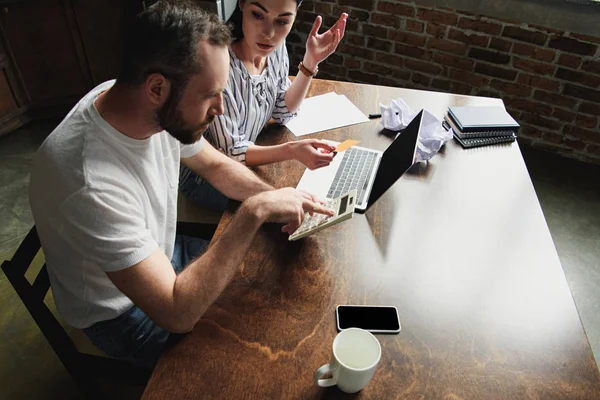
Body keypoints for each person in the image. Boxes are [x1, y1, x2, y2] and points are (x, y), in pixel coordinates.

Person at [29, 0, 332, 368]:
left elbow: (216, 166)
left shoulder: (141, 101)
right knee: (257, 354)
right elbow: (176, 313)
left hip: (162, 253)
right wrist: (256, 210)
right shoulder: (88, 183)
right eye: (210, 95)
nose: (221, 108)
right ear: (156, 88)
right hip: (123, 316)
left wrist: (282, 198)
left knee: (271, 274)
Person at [179, 0, 348, 210]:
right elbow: (232, 152)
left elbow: (283, 111)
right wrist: (292, 150)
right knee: (293, 204)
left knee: (308, 196)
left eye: (282, 21)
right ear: (241, 5)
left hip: (247, 161)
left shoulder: (274, 49)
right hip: (205, 180)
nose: (269, 33)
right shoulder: (220, 64)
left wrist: (311, 62)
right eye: (258, 15)